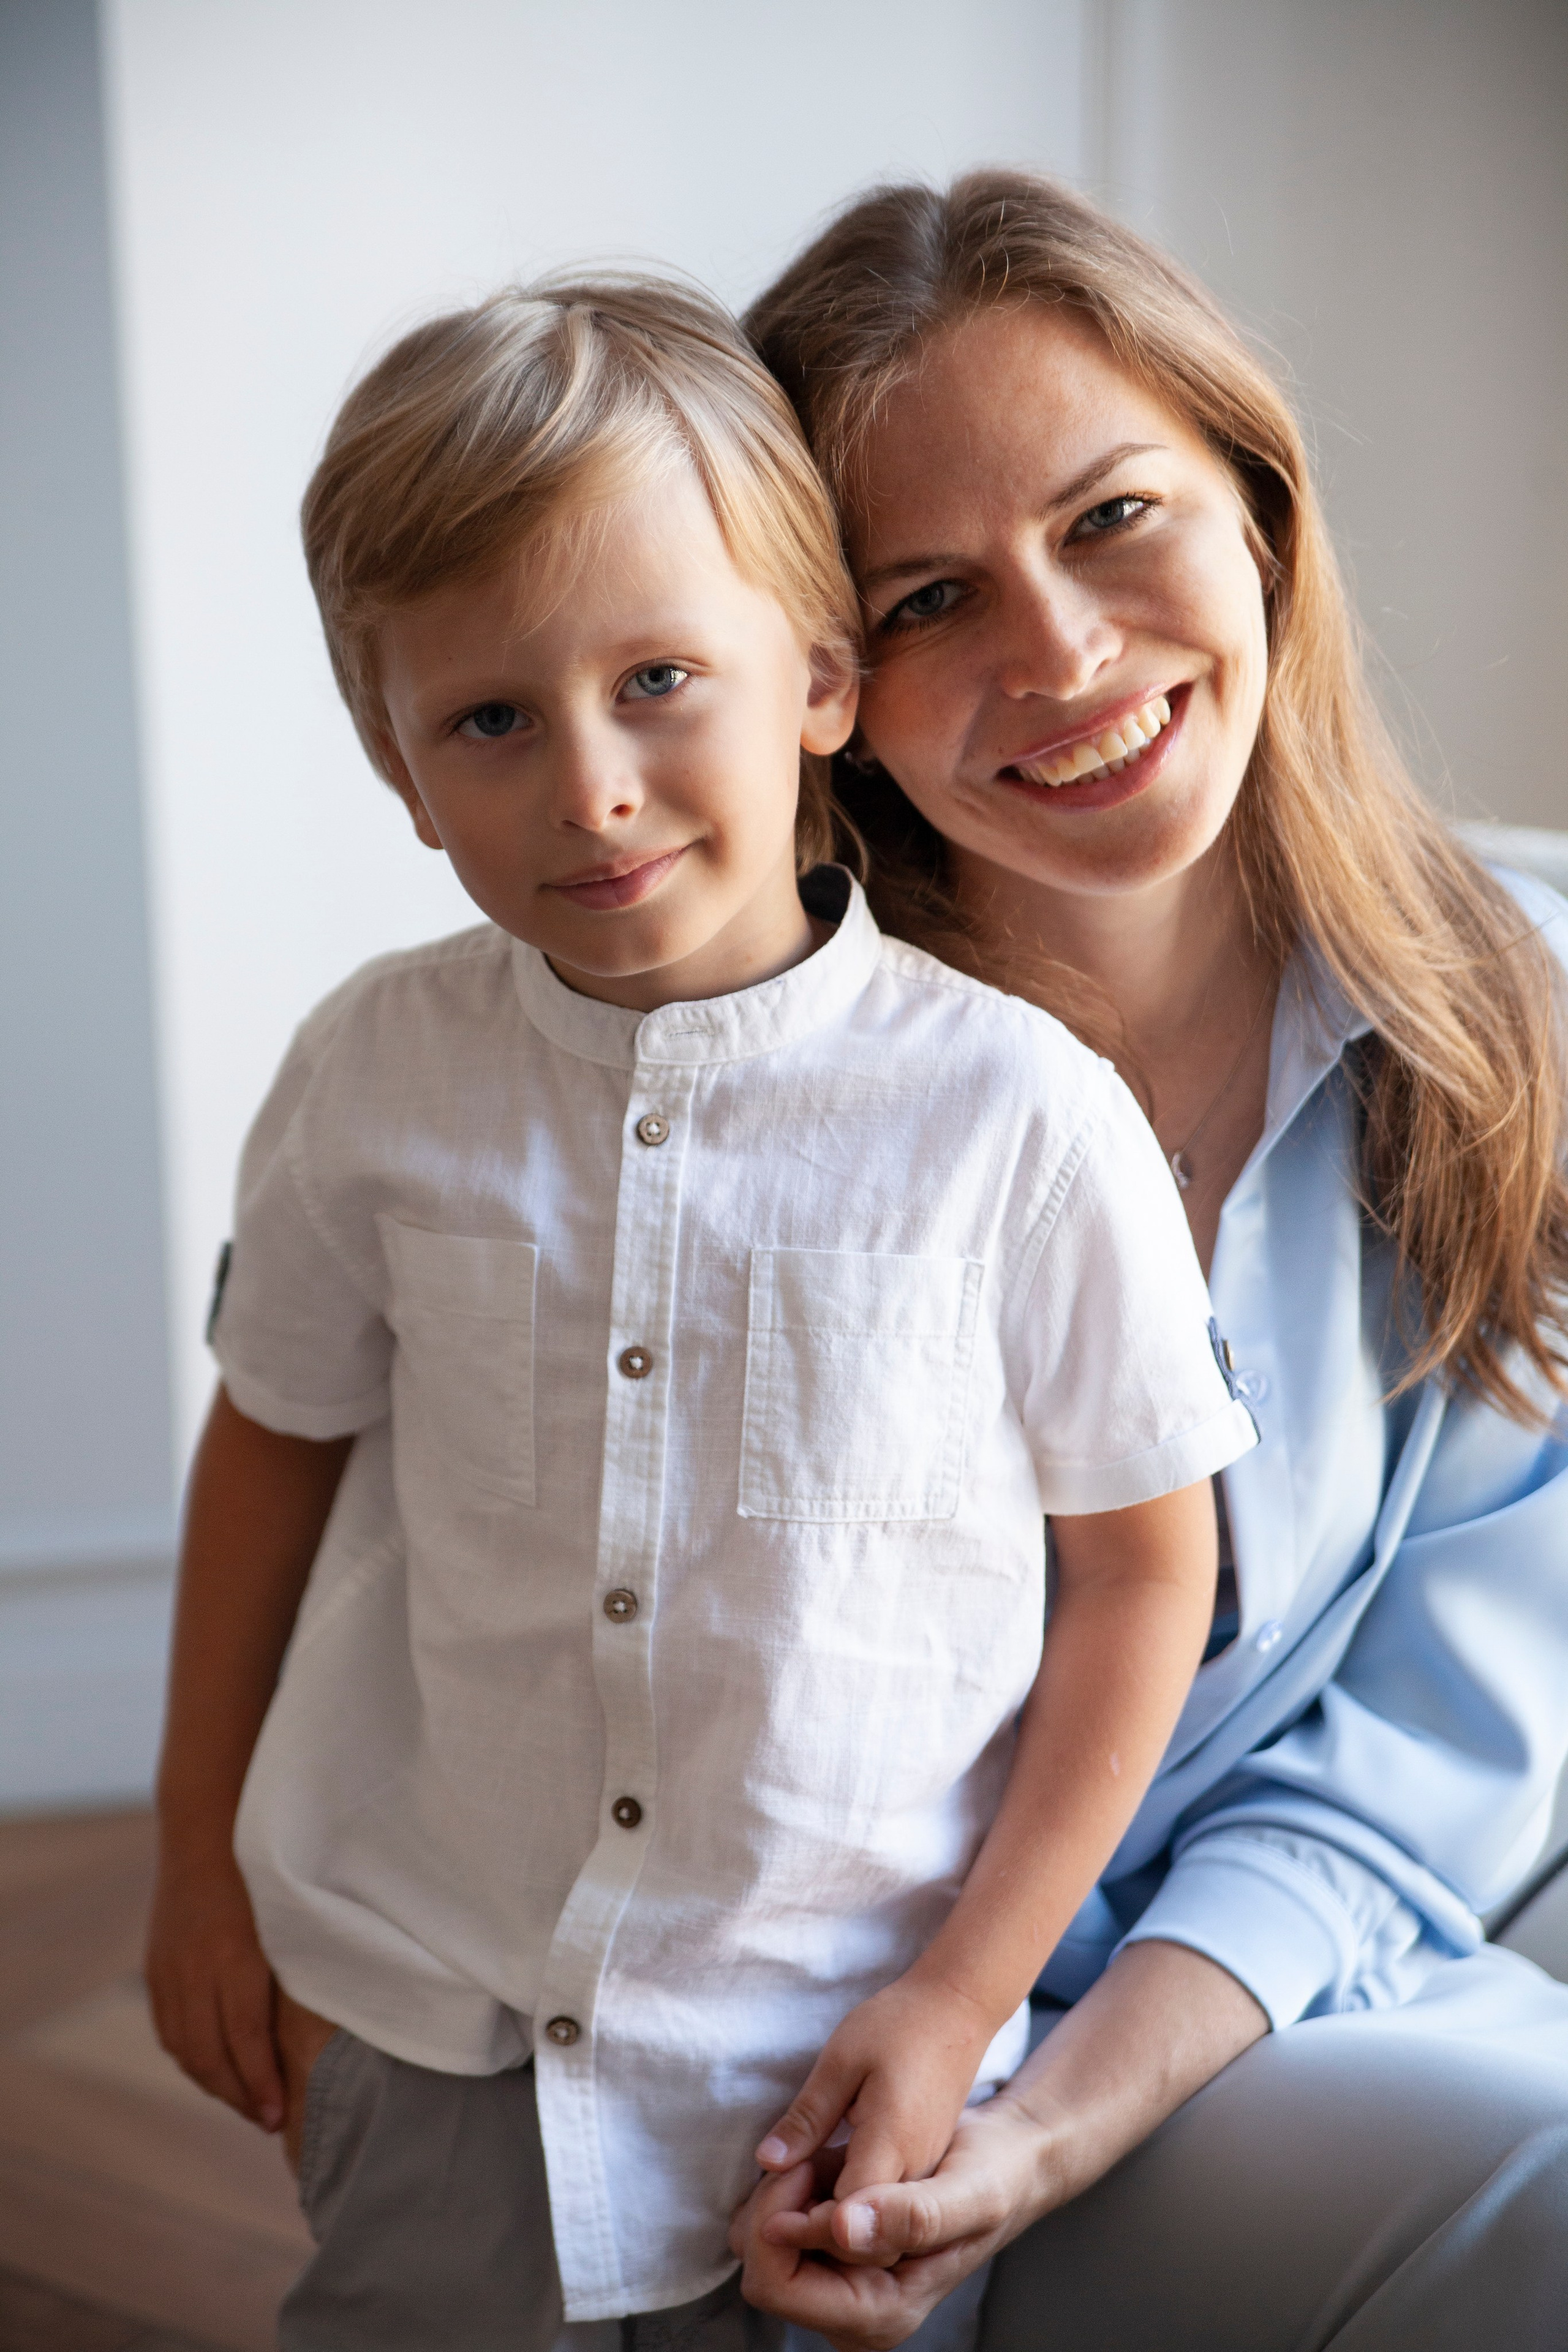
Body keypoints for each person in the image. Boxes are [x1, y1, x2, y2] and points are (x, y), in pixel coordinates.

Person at [143, 274, 1258, 2348]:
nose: (590, 786)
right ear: (398, 770)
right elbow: (271, 1440)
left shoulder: (1018, 1122)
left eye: (660, 676)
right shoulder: (370, 1078)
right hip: (427, 2021)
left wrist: (961, 1994)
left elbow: (1141, 1577)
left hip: (836, 2079)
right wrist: (194, 1859)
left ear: (820, 676)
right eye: (488, 720)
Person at [736, 170, 1568, 2350]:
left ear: (1259, 508)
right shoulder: (755, 1107)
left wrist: (1068, 2128)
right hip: (845, 2086)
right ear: (818, 682)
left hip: (1264, 1991)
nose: (1064, 654)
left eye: (1112, 518)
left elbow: (1427, 1751)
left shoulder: (1523, 1010)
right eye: (927, 599)